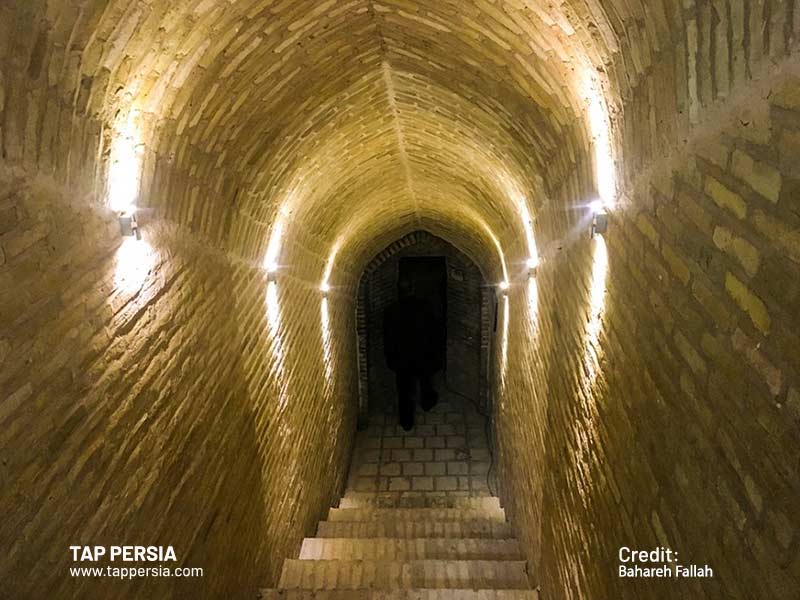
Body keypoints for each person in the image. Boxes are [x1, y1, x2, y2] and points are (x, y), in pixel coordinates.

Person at [383, 278, 440, 430]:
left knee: (404, 390)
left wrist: (390, 357)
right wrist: (435, 353)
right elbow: (433, 332)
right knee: (426, 381)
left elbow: (388, 337)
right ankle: (427, 403)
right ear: (413, 289)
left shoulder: (391, 310)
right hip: (422, 353)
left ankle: (406, 421)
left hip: (402, 357)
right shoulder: (425, 307)